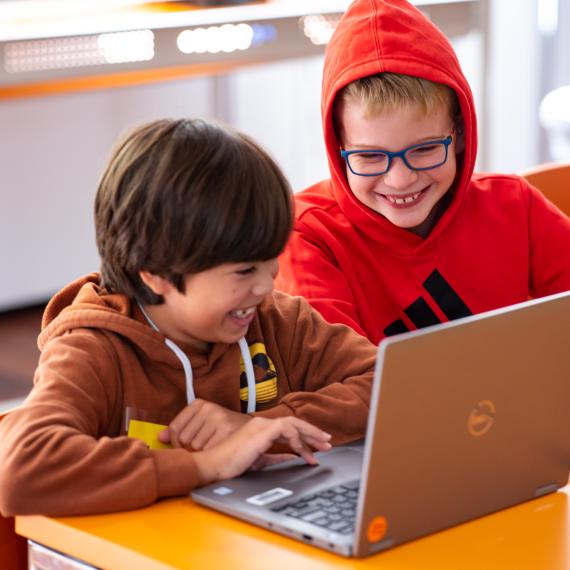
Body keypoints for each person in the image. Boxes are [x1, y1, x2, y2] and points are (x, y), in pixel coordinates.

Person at [0, 118, 376, 517]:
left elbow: (388, 384)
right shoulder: (93, 349)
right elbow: (20, 469)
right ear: (157, 273)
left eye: (272, 261)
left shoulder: (278, 320)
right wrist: (203, 466)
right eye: (245, 271)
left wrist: (263, 427)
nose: (267, 285)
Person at [276, 0, 570, 344]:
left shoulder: (515, 206)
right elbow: (336, 382)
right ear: (337, 147)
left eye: (425, 149)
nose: (400, 179)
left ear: (458, 133)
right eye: (370, 156)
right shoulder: (307, 237)